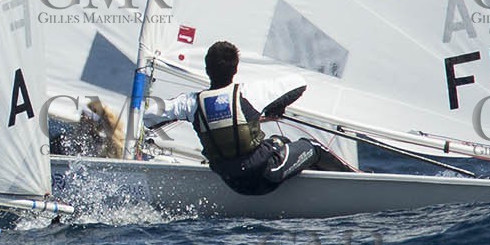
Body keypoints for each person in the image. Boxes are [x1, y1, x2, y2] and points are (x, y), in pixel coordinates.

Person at [145, 40, 347, 195]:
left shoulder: (191, 103)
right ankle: (358, 182)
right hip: (267, 176)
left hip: (231, 181)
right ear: (235, 69)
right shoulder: (249, 93)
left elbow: (150, 116)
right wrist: (276, 108)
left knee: (278, 142)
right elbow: (299, 83)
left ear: (207, 70)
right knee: (312, 147)